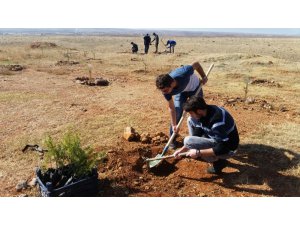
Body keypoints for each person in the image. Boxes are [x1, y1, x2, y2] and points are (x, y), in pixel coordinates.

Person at [174, 96, 239, 174]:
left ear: (199, 111)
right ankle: (192, 149)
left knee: (188, 140)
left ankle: (218, 162)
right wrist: (182, 150)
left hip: (228, 149)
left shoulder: (217, 122)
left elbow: (223, 148)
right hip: (215, 138)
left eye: (191, 113)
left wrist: (198, 152)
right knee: (190, 120)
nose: (190, 115)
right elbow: (198, 132)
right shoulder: (206, 111)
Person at [155, 62, 208, 148]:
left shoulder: (184, 72)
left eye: (165, 90)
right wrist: (174, 125)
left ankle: (202, 137)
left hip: (194, 88)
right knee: (178, 111)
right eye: (162, 91)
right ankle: (172, 139)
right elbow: (172, 108)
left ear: (172, 83)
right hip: (181, 92)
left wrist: (203, 76)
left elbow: (197, 64)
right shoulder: (165, 90)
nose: (164, 93)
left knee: (198, 111)